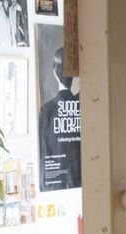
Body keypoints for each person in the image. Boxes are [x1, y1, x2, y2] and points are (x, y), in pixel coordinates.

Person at [38, 46, 81, 191]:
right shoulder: (86, 106)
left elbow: (43, 153)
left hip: (54, 187)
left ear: (54, 71)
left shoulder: (46, 110)